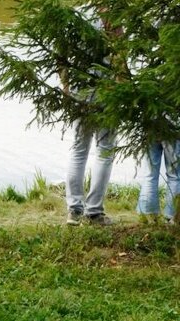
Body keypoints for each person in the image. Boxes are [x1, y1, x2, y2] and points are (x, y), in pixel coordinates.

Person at [63, 5, 118, 226]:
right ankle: (94, 212)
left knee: (78, 150)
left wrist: (66, 86)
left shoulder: (73, 14)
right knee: (104, 151)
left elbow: (63, 55)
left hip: (79, 91)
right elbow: (119, 55)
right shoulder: (111, 17)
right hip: (106, 92)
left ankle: (74, 211)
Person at [136, 139, 180, 224]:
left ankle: (147, 214)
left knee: (150, 175)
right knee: (175, 176)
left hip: (152, 130)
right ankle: (171, 217)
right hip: (173, 130)